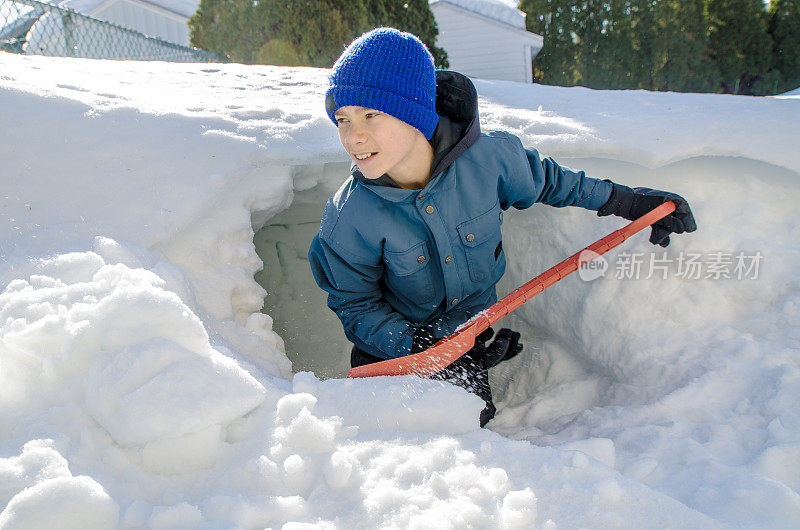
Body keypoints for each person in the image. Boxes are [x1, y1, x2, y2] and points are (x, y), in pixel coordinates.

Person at [308, 27, 696, 427]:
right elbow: (355, 304)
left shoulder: (490, 160)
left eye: (370, 114)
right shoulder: (349, 216)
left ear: (414, 111)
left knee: (476, 428)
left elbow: (553, 182)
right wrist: (423, 347)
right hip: (393, 358)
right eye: (342, 118)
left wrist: (629, 202)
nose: (353, 136)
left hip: (467, 341)